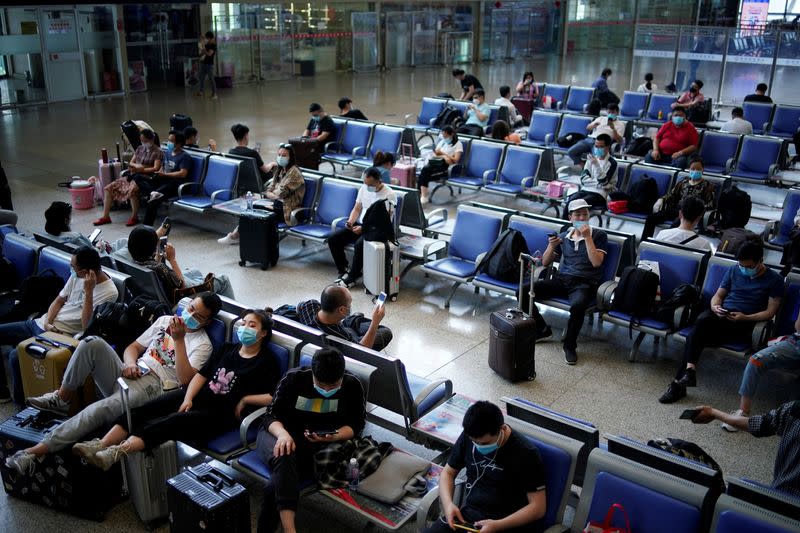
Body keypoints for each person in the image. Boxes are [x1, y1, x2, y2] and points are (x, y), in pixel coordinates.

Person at [4, 294, 221, 473]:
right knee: (91, 343)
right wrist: (130, 363)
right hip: (132, 372)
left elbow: (185, 380)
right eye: (191, 307)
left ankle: (34, 453)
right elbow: (133, 348)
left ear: (206, 322)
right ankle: (63, 397)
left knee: (100, 409)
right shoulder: (165, 320)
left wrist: (179, 340)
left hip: (154, 386)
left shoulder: (203, 345)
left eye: (198, 315)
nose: (190, 315)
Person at [74, 308, 279, 471]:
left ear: (262, 333)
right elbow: (201, 375)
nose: (245, 327)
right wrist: (188, 397)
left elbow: (273, 396)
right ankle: (100, 445)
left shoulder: (266, 361)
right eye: (243, 323)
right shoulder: (226, 348)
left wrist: (245, 400)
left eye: (252, 325)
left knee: (171, 422)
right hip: (198, 395)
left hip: (220, 413)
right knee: (145, 410)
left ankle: (116, 453)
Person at [256, 347, 367, 533]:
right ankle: (290, 529)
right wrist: (283, 434)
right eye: (321, 384)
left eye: (332, 386)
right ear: (313, 373)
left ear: (342, 375)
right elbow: (270, 416)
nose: (326, 390)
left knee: (273, 487)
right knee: (285, 450)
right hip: (276, 434)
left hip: (315, 447)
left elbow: (356, 425)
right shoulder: (294, 379)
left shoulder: (352, 385)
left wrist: (336, 435)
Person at [659, 243, 783, 403]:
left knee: (694, 336)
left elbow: (770, 312)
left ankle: (680, 384)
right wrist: (715, 307)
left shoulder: (775, 280)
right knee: (703, 321)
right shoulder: (734, 270)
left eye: (749, 266)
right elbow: (718, 296)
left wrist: (745, 317)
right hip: (722, 315)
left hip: (745, 322)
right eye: (741, 265)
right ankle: (687, 374)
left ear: (761, 260)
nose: (744, 269)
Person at [0, 247, 118, 405]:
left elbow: (87, 325)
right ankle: (2, 391)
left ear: (85, 271)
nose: (71, 270)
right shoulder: (76, 276)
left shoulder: (110, 292)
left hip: (59, 335)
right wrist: (48, 321)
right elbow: (58, 300)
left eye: (73, 267)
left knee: (16, 356)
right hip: (42, 324)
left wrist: (88, 292)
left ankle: (21, 406)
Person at [422, 401, 546, 533]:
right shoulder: (470, 435)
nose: (478, 445)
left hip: (506, 523)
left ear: (502, 429)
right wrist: (448, 505)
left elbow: (538, 508)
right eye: (474, 441)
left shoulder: (526, 453)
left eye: (484, 442)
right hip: (468, 516)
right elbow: (448, 473)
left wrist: (498, 525)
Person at [526, 199, 608, 365]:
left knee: (578, 306)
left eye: (585, 214)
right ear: (570, 217)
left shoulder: (599, 235)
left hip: (585, 283)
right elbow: (546, 263)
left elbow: (596, 262)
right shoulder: (564, 236)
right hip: (562, 280)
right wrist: (551, 246)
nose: (582, 218)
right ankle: (541, 329)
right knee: (523, 290)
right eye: (578, 215)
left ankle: (569, 345)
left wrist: (587, 238)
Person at [690, 402, 800, 497]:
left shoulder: (793, 410)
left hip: (778, 496)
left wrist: (713, 413)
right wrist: (713, 413)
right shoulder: (792, 410)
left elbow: (756, 425)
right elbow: (755, 424)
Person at [218, 143, 307, 245]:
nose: (280, 157)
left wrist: (273, 193)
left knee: (255, 208)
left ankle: (236, 236)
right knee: (252, 207)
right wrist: (273, 194)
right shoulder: (280, 170)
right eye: (279, 155)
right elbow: (269, 189)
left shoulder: (295, 174)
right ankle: (238, 236)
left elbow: (281, 193)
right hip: (277, 205)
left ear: (291, 157)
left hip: (289, 210)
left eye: (284, 155)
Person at [327, 167, 397, 287]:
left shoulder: (389, 195)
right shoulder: (364, 188)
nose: (367, 186)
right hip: (361, 225)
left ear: (379, 181)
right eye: (365, 183)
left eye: (370, 184)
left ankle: (353, 276)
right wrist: (350, 222)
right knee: (333, 239)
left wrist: (363, 229)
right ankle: (344, 269)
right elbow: (357, 208)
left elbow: (383, 222)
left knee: (359, 245)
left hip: (377, 230)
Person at [94, 129, 163, 227]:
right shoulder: (140, 149)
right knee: (108, 188)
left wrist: (141, 169)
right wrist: (136, 166)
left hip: (145, 178)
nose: (143, 143)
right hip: (133, 175)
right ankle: (106, 216)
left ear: (151, 139)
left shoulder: (157, 152)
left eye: (145, 141)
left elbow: (155, 168)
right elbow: (131, 162)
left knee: (132, 190)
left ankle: (134, 217)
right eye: (142, 140)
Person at [296, 284, 393, 351]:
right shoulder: (339, 336)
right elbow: (362, 350)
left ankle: (352, 319)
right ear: (341, 310)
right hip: (350, 336)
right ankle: (355, 321)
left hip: (340, 323)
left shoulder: (310, 305)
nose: (350, 307)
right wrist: (375, 322)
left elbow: (298, 307)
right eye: (349, 305)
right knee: (385, 332)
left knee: (352, 319)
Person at [641, 156, 715, 240]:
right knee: (651, 218)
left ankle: (667, 243)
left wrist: (698, 210)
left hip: (690, 214)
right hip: (678, 210)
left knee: (676, 224)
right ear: (689, 169)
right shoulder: (683, 182)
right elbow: (672, 195)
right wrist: (661, 199)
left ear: (702, 170)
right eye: (693, 168)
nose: (695, 171)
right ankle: (644, 242)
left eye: (698, 169)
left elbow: (710, 204)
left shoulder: (708, 186)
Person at [141, 130, 194, 226]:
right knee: (138, 177)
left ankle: (146, 226)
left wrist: (165, 175)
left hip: (175, 185)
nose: (169, 143)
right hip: (164, 181)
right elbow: (163, 166)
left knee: (153, 201)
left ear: (179, 144)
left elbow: (183, 174)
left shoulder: (184, 157)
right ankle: (153, 192)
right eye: (168, 140)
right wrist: (160, 172)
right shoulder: (168, 153)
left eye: (171, 141)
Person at [561, 134, 618, 218]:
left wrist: (596, 165)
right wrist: (599, 184)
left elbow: (604, 182)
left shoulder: (612, 163)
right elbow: (584, 179)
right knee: (571, 201)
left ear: (608, 147)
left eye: (601, 147)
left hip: (600, 194)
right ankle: (566, 227)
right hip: (586, 189)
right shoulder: (591, 158)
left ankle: (576, 228)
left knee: (579, 205)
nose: (598, 149)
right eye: (596, 146)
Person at [418, 125, 463, 204]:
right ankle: (423, 195)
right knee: (424, 171)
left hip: (445, 168)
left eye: (446, 136)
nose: (444, 138)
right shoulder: (442, 142)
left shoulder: (458, 144)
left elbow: (455, 160)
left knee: (424, 171)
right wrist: (442, 155)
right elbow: (435, 153)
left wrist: (444, 154)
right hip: (435, 163)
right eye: (443, 136)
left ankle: (422, 195)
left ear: (451, 134)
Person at [197, 31, 217, 100]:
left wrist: (203, 49)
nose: (206, 39)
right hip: (204, 63)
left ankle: (214, 94)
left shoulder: (213, 45)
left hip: (209, 65)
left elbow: (209, 54)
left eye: (207, 38)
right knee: (201, 77)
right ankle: (201, 91)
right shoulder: (207, 44)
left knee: (211, 79)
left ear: (210, 38)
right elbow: (202, 52)